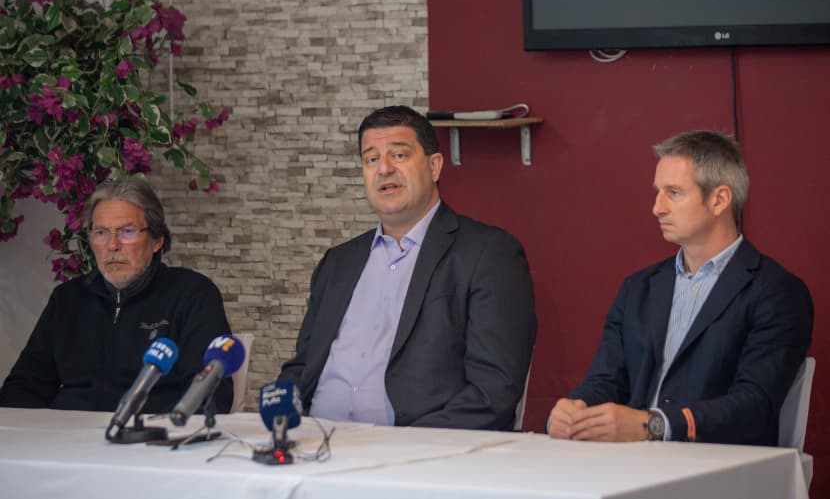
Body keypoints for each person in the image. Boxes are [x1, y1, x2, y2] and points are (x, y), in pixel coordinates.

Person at [279, 105, 537, 430]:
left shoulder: (488, 254)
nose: (384, 169)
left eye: (399, 155)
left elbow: (493, 392)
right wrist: (276, 417)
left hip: (416, 449)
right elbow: (303, 366)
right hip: (313, 441)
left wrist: (404, 447)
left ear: (434, 166)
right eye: (371, 159)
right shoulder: (338, 263)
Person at [548, 130, 813, 445]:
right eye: (657, 192)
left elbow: (754, 405)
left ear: (719, 200)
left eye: (673, 193)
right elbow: (606, 381)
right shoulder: (638, 288)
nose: (657, 208)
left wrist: (654, 425)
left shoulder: (778, 292)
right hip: (630, 462)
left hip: (721, 466)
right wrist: (574, 410)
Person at [0, 177, 234, 413]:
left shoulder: (192, 295)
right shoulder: (67, 299)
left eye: (127, 231)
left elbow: (210, 396)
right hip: (69, 430)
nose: (112, 245)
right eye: (101, 232)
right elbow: (22, 389)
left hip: (151, 431)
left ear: (157, 241)